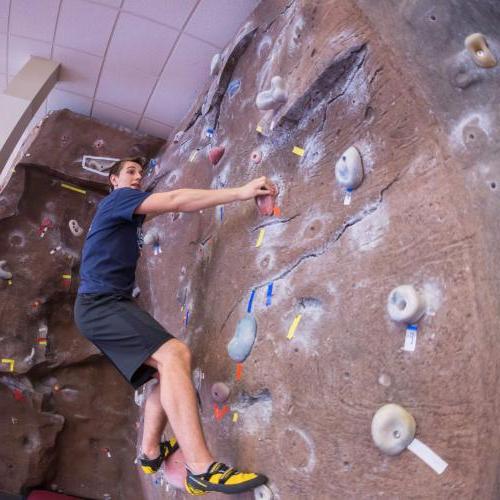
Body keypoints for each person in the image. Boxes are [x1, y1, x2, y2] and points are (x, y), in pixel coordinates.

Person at [74, 157, 275, 495]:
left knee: (160, 375)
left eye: (141, 172)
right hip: (101, 303)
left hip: (106, 304)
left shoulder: (126, 215)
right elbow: (176, 200)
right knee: (175, 355)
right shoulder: (119, 199)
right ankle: (201, 467)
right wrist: (241, 192)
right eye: (130, 172)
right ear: (113, 180)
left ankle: (150, 453)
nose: (138, 177)